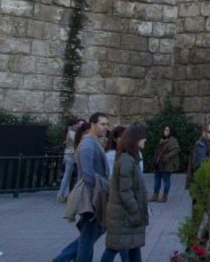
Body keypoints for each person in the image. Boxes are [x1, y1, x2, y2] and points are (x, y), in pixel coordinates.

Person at [53, 111, 110, 262]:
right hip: (91, 197)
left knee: (91, 233)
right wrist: (99, 194)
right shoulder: (88, 143)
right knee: (89, 234)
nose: (105, 127)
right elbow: (87, 173)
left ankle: (63, 258)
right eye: (102, 124)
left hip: (94, 195)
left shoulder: (94, 141)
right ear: (93, 124)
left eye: (107, 124)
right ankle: (64, 257)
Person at [99, 124, 149, 262]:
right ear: (135, 139)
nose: (145, 140)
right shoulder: (127, 160)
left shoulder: (130, 159)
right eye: (143, 138)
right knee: (115, 247)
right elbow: (125, 191)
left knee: (132, 246)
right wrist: (136, 212)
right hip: (124, 215)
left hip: (126, 215)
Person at [57, 118, 85, 203]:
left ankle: (63, 194)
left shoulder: (71, 132)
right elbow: (72, 145)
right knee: (70, 175)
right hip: (71, 155)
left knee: (68, 175)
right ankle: (63, 195)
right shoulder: (73, 133)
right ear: (76, 124)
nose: (81, 126)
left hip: (69, 154)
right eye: (80, 124)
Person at [187, 121, 210, 190]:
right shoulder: (201, 146)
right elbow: (199, 167)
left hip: (206, 185)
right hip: (203, 186)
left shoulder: (208, 143)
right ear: (204, 133)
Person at [150, 126, 180, 203]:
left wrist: (167, 156)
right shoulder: (161, 140)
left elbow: (176, 150)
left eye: (167, 130)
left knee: (166, 181)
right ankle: (155, 196)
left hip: (167, 164)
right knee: (157, 180)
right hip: (158, 164)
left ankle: (164, 196)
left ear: (170, 132)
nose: (165, 131)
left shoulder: (173, 141)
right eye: (164, 129)